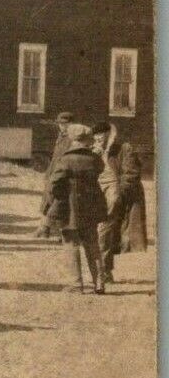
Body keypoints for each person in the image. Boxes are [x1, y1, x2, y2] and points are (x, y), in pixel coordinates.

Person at [45, 123, 108, 294]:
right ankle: (99, 282)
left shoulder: (65, 160)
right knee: (92, 244)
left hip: (70, 208)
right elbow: (100, 170)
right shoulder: (94, 159)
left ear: (72, 139)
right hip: (91, 207)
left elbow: (54, 183)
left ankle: (76, 284)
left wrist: (59, 198)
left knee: (71, 244)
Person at [95, 121, 147, 283]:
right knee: (104, 234)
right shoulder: (94, 150)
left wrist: (118, 195)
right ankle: (104, 272)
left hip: (116, 197)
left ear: (108, 135)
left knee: (105, 233)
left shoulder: (124, 149)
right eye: (96, 135)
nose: (98, 138)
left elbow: (130, 175)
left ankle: (102, 272)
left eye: (101, 134)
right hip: (98, 196)